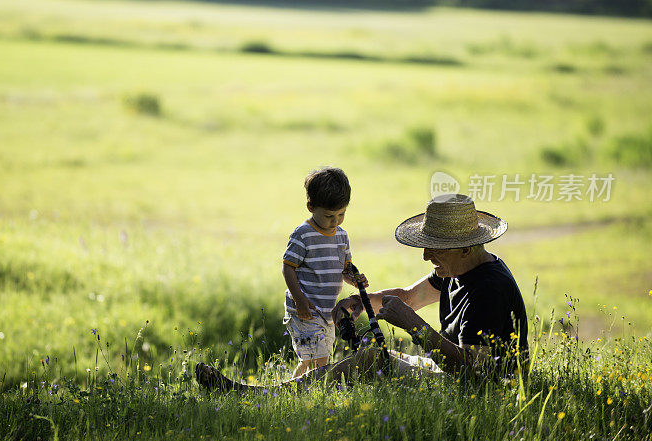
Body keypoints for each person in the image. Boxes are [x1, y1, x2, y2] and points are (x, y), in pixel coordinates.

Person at [195, 194, 528, 392]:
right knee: (369, 358)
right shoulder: (459, 268)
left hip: (479, 388)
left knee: (370, 359)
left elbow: (475, 372)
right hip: (445, 370)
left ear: (465, 248)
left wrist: (414, 327)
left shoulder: (488, 290)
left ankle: (262, 396)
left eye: (435, 249)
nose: (427, 256)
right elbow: (409, 297)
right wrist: (358, 302)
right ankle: (271, 393)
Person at [281, 167, 368, 377]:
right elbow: (287, 268)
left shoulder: (342, 236)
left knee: (318, 361)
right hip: (305, 309)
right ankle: (306, 393)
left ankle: (294, 391)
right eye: (329, 215)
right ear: (311, 207)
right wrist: (299, 300)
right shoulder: (303, 235)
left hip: (327, 310)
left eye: (341, 214)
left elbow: (344, 269)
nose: (336, 220)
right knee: (316, 361)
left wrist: (354, 279)